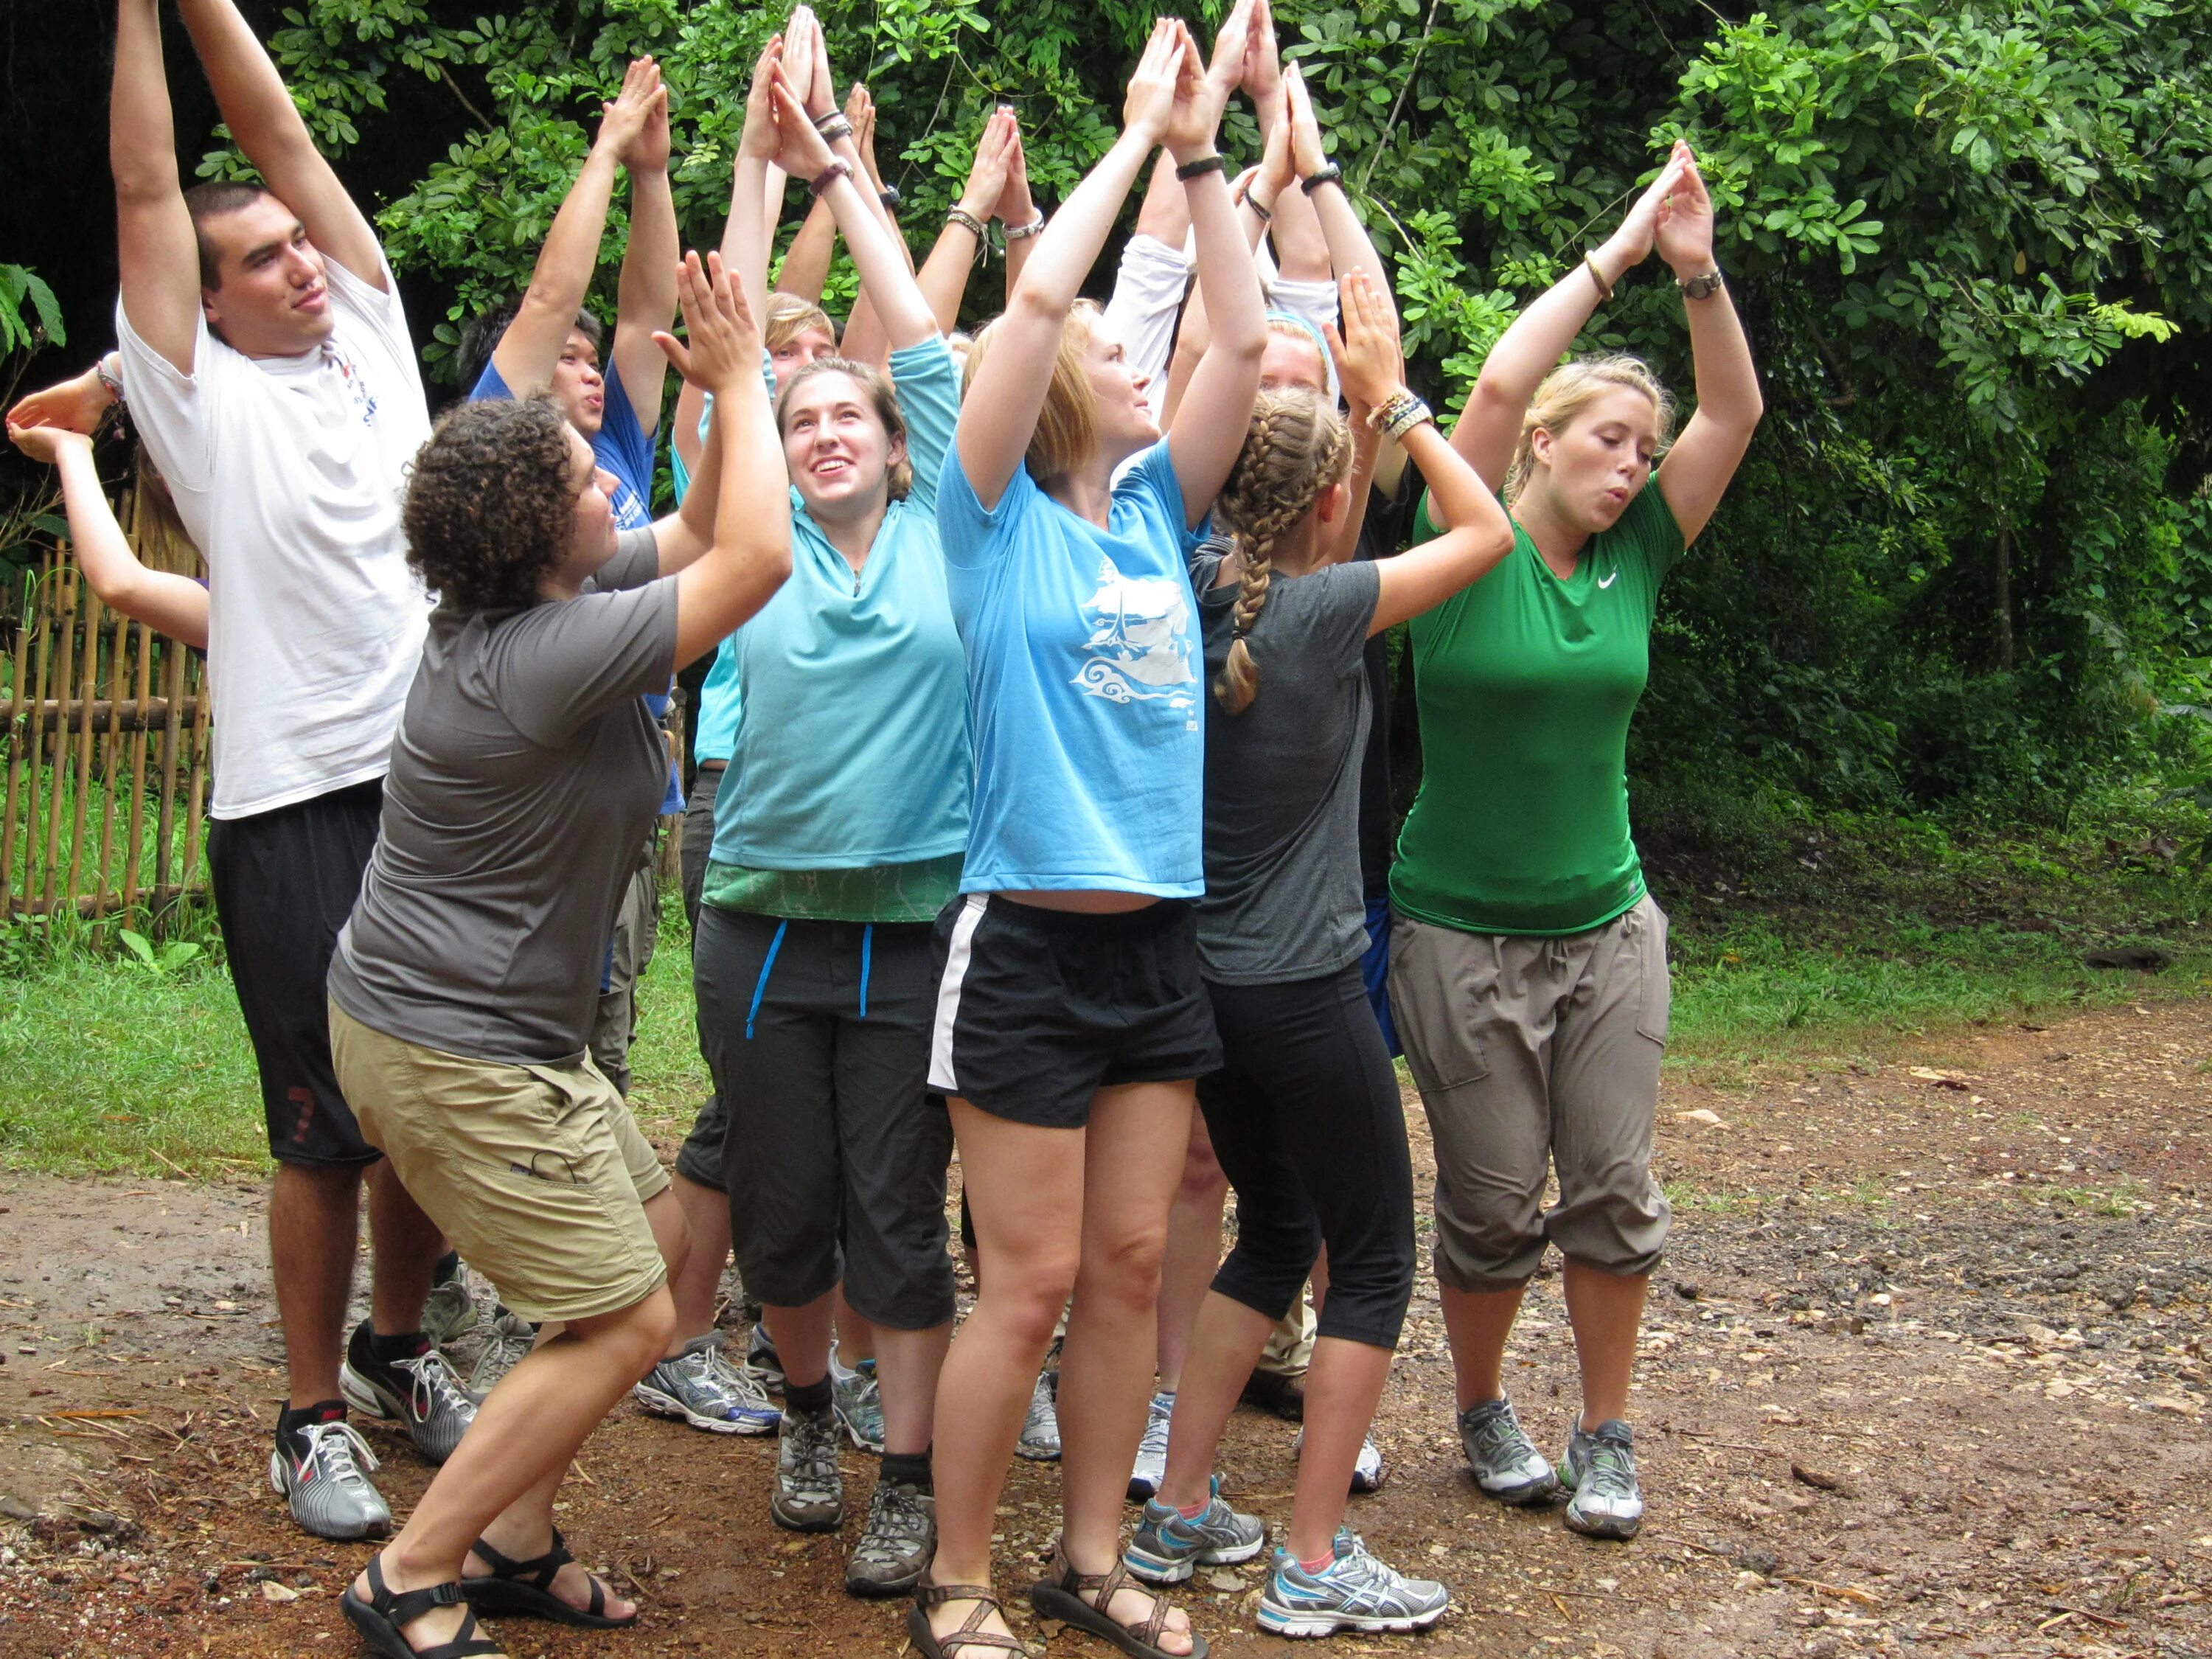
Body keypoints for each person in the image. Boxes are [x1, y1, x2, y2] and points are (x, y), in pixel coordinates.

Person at [32, 0, 470, 1541]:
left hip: (431, 790)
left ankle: (401, 1353)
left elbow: (277, 132)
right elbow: (151, 189)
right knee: (323, 1128)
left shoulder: (373, 338)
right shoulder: (196, 402)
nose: (305, 263)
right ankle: (306, 1419)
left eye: (305, 244)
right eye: (268, 258)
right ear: (204, 308)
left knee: (432, 1101)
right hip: (290, 805)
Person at [329, 249, 790, 1659]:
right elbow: (761, 557)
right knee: (629, 1317)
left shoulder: (532, 610)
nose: (616, 483)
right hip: (452, 1046)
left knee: (644, 1250)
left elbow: (710, 517)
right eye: (592, 475)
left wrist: (719, 390)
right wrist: (754, 377)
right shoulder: (549, 653)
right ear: (542, 537)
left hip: (472, 1030)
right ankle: (412, 1569)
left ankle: (516, 1537)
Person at [914, 11, 1266, 1658]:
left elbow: (1246, 346)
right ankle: (957, 1581)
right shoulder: (985, 522)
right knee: (1032, 1283)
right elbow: (1045, 297)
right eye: (1128, 361)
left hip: (1157, 940)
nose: (1151, 361)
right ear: (1061, 393)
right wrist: (1132, 133)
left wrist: (1209, 150)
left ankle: (1092, 1557)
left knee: (1135, 1267)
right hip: (1031, 945)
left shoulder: (1148, 511)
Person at [1127, 268, 1517, 1636]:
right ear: (1337, 502)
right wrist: (1396, 396)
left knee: (1276, 1225)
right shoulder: (1325, 608)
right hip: (1299, 989)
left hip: (1200, 993)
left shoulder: (1176, 592)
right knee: (1369, 1255)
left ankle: (1176, 1513)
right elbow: (1490, 528)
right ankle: (1309, 1556)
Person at [1390, 140, 1763, 1541]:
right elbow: (1485, 386)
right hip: (1456, 927)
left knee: (1611, 1190)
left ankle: (1605, 1431)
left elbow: (1734, 411)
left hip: (1608, 926)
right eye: (1609, 441)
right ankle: (1484, 1407)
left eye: (1642, 453)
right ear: (1542, 443)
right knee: (1491, 1201)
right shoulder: (1461, 540)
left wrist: (1698, 271)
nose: (1633, 467)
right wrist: (1616, 254)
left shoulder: (1641, 554)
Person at [684, 39, 964, 1599]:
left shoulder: (945, 534)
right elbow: (722, 344)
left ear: (896, 441)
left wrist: (842, 170)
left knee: (898, 1220)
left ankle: (907, 1479)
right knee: (782, 1217)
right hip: (764, 926)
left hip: (917, 929)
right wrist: (751, 161)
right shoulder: (754, 531)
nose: (827, 432)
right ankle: (807, 1416)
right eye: (802, 422)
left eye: (851, 415)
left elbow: (918, 334)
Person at [454, 55, 684, 1111]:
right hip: (531, 780)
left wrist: (652, 174)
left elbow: (647, 317)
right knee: (506, 1025)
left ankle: (581, 1244)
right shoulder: (500, 449)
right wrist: (603, 149)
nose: (594, 368)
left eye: (600, 363)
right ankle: (478, 1256)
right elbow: (558, 295)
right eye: (572, 358)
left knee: (606, 1028)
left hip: (623, 785)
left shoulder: (617, 466)